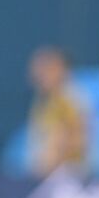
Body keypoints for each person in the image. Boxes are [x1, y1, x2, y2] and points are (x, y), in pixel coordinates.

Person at [25, 47, 87, 177]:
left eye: (48, 69)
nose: (41, 75)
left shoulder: (71, 100)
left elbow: (79, 143)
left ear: (61, 70)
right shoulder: (42, 102)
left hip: (69, 175)